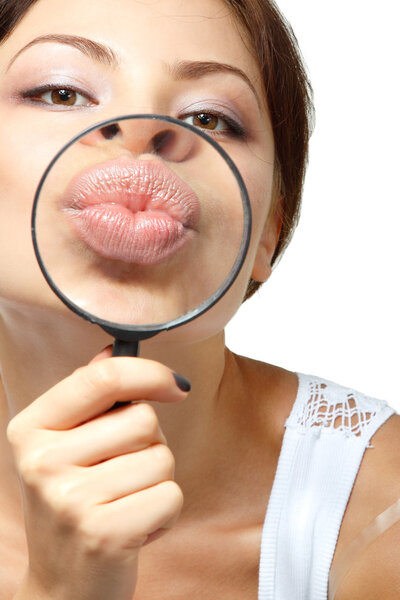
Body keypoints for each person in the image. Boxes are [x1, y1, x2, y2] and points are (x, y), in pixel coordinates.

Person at [0, 1, 398, 599]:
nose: (141, 129)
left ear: (266, 232)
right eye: (61, 93)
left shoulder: (380, 510)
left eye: (211, 118)